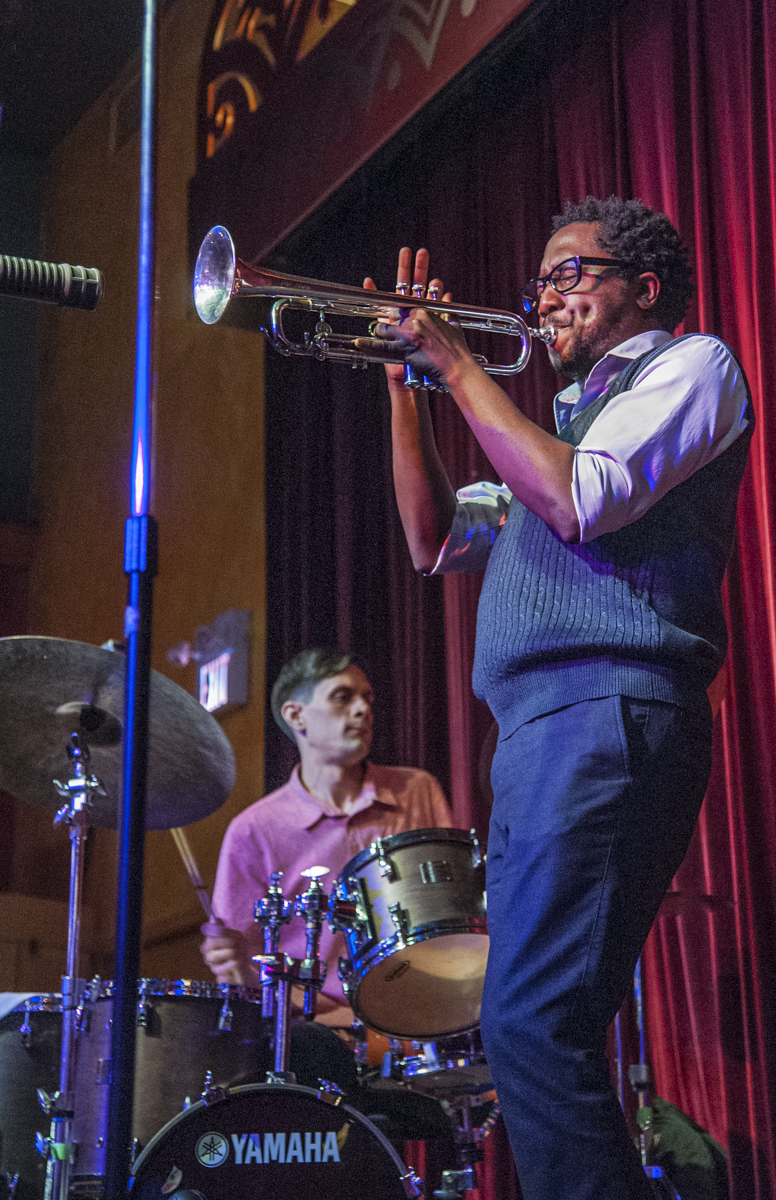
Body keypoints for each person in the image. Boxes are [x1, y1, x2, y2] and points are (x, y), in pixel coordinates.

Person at [363, 197, 752, 1200]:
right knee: (535, 1024)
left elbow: (579, 499)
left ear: (644, 289)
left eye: (570, 274)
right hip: (545, 734)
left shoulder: (688, 366)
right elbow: (432, 539)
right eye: (539, 282)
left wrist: (453, 364)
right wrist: (407, 385)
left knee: (531, 1022)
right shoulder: (561, 425)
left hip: (605, 713)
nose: (543, 297)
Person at [202, 647, 451, 1023]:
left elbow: (456, 910)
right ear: (295, 715)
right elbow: (245, 969)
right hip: (315, 1031)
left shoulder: (417, 790)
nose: (363, 709)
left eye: (367, 698)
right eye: (342, 696)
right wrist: (233, 961)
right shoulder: (254, 830)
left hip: (425, 1015)